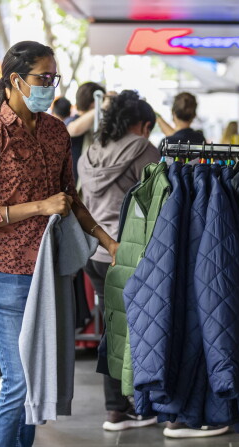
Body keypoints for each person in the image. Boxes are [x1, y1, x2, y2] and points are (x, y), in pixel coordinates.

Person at [0, 40, 119, 447]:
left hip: (49, 270)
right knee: (18, 380)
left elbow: (70, 197)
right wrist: (38, 207)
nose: (50, 85)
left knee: (36, 383)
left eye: (54, 78)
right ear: (16, 80)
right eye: (42, 78)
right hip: (5, 272)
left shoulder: (55, 130)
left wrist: (107, 242)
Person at [78, 90, 161, 431]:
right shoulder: (142, 149)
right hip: (129, 251)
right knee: (143, 328)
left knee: (113, 328)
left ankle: (116, 408)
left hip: (95, 251)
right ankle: (142, 404)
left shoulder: (91, 152)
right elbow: (160, 197)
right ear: (142, 125)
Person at [65, 81, 105, 184]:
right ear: (94, 103)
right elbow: (73, 130)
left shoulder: (94, 125)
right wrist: (101, 107)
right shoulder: (71, 122)